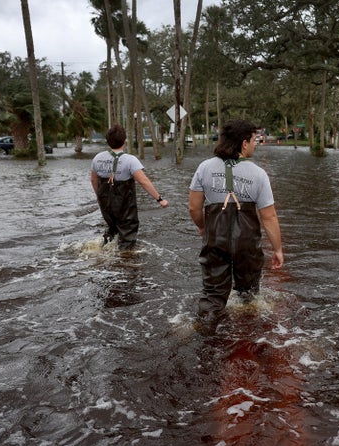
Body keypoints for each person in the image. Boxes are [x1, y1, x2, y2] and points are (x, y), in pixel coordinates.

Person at [189, 119, 284, 323]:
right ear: (243, 143)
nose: (255, 144)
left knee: (212, 297)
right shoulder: (259, 174)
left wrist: (203, 227)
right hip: (247, 244)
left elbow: (194, 208)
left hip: (215, 239)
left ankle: (203, 331)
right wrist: (277, 249)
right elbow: (269, 217)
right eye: (253, 139)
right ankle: (246, 338)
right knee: (248, 298)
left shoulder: (204, 168)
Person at [90, 124, 169, 250]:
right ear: (124, 141)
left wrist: (99, 197)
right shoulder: (130, 160)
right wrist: (159, 199)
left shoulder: (97, 158)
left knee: (112, 228)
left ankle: (104, 255)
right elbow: (144, 181)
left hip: (105, 203)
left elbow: (94, 180)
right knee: (127, 233)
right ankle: (124, 261)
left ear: (108, 141)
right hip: (124, 205)